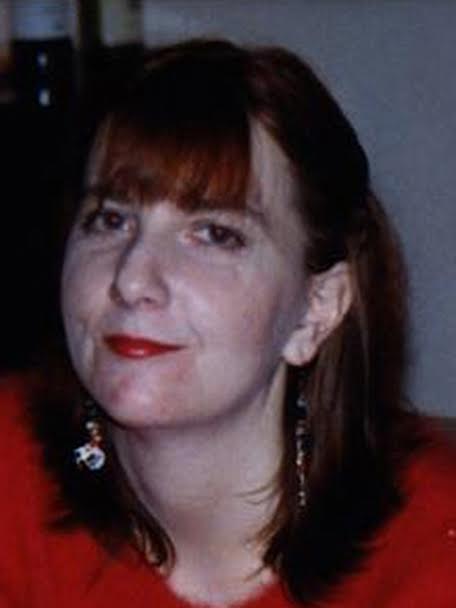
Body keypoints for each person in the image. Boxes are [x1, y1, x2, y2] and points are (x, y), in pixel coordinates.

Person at [0, 38, 454, 608]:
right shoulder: (10, 470)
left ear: (317, 307)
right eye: (110, 219)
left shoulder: (433, 547)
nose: (133, 278)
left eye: (215, 234)